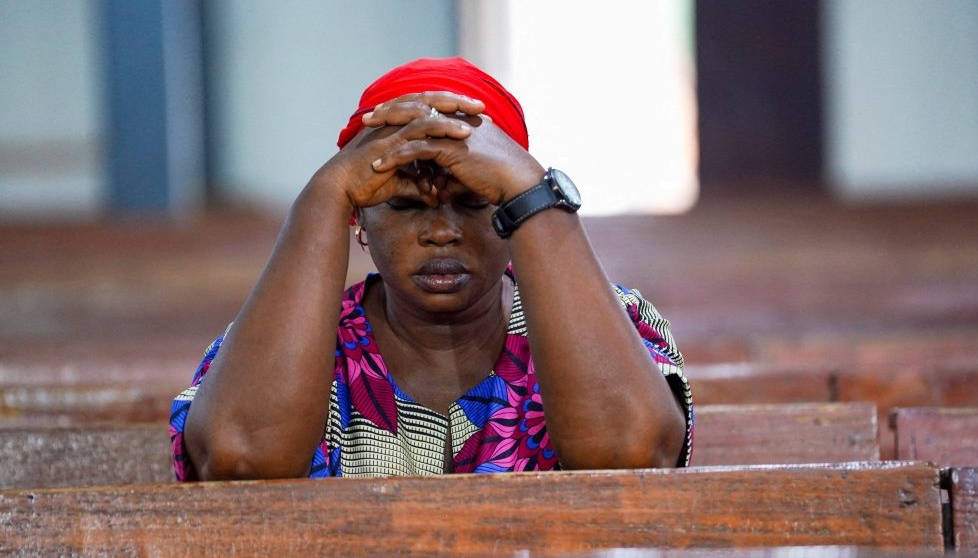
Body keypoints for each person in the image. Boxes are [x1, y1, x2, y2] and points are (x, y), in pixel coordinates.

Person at [170, 57, 693, 479]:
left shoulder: (616, 318)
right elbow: (240, 457)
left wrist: (533, 190)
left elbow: (634, 455)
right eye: (405, 206)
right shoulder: (284, 336)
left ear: (513, 217)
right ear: (359, 222)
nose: (441, 231)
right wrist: (326, 193)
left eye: (473, 204)